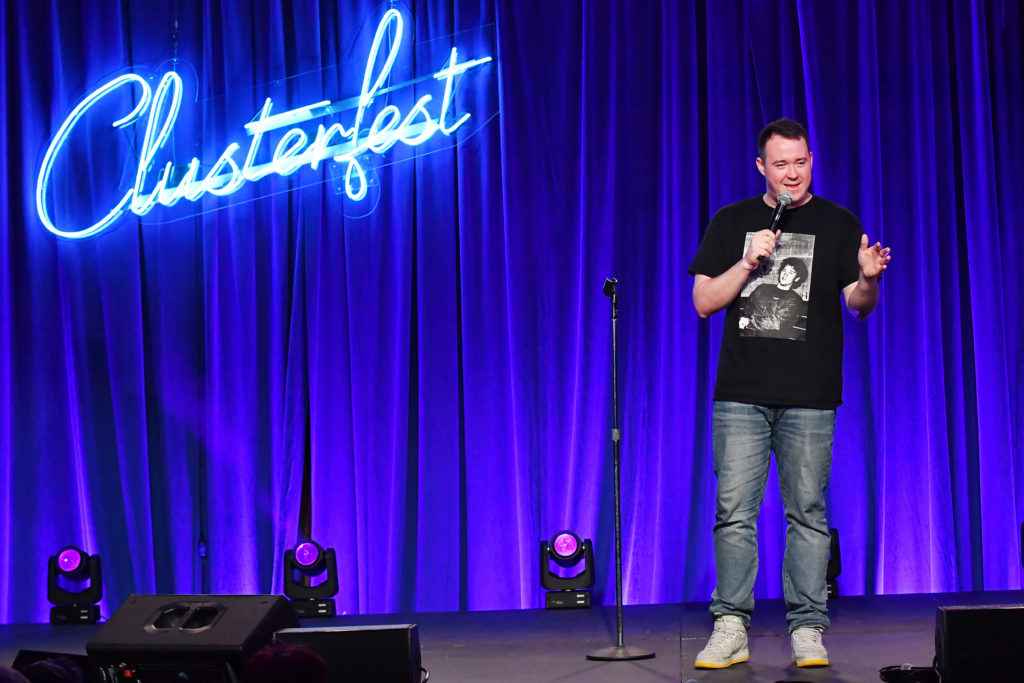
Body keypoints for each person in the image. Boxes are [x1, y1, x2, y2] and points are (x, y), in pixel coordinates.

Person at [687, 118, 891, 669]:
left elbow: (858, 304)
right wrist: (748, 260)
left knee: (808, 513)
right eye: (781, 165)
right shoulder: (733, 222)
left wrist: (868, 278)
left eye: (800, 162)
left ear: (810, 161)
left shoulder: (839, 223)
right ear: (762, 167)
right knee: (734, 514)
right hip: (742, 395)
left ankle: (807, 628)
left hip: (810, 395)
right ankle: (730, 625)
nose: (792, 174)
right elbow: (704, 301)